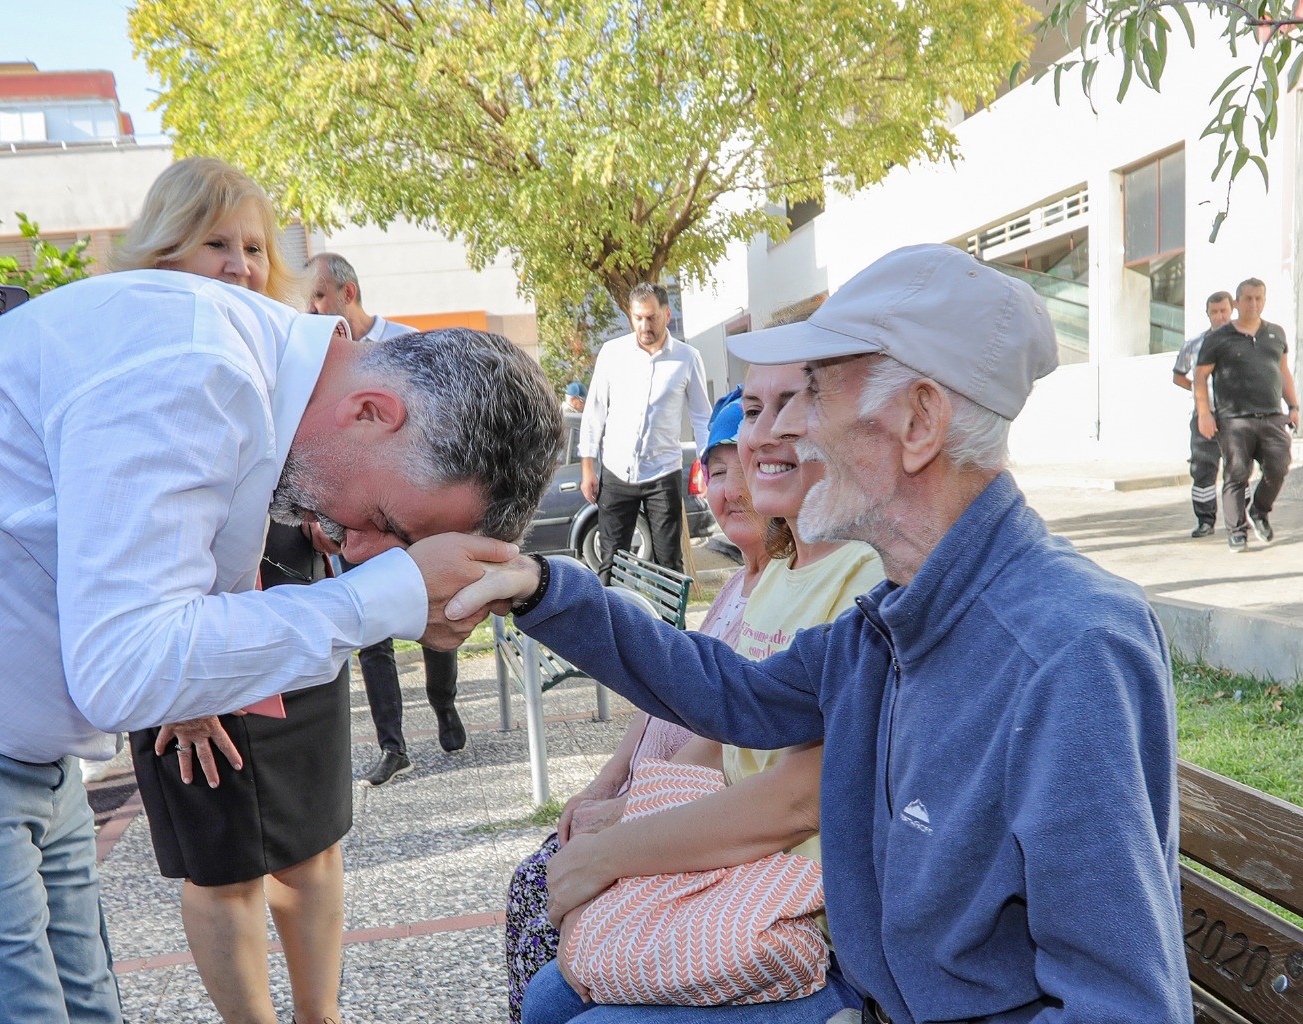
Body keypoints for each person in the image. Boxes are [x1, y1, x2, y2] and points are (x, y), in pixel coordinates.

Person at [0, 266, 564, 1023]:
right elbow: (127, 666)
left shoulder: (242, 371)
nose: (358, 549)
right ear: (375, 412)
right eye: (391, 525)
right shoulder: (194, 371)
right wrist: (380, 597)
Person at [450, 244, 1193, 1023]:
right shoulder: (902, 616)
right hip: (868, 1000)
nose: (788, 431)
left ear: (918, 422)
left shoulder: (1069, 650)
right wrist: (542, 589)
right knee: (553, 999)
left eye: (816, 393)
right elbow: (731, 691)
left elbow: (1125, 1005)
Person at [522, 357, 884, 1024]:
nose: (765, 432)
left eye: (791, 405)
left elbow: (802, 799)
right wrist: (623, 809)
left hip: (804, 925)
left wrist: (612, 850)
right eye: (751, 410)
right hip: (736, 877)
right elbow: (725, 736)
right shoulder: (777, 573)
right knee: (548, 997)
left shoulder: (865, 579)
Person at [108, 157, 352, 1024]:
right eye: (217, 242)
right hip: (184, 633)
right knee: (224, 869)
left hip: (290, 614)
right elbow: (124, 539)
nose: (243, 264)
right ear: (164, 250)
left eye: (254, 245)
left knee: (315, 848)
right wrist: (185, 686)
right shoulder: (131, 355)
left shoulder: (285, 345)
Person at [306, 250, 465, 785]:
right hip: (348, 519)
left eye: (319, 297)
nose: (312, 310)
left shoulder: (411, 346)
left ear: (348, 293)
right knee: (370, 637)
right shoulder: (314, 361)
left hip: (404, 515)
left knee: (429, 616)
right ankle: (392, 745)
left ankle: (444, 704)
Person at [579, 283, 710, 581]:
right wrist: (588, 467)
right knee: (611, 561)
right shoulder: (612, 353)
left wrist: (704, 465)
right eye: (638, 317)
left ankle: (669, 629)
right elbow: (595, 410)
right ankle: (612, 626)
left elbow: (703, 418)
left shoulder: (687, 358)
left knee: (669, 564)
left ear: (667, 313)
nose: (644, 325)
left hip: (662, 474)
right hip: (615, 473)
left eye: (651, 317)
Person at [1194, 277, 1299, 552]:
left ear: (1264, 300)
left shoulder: (1276, 333)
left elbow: (1284, 371)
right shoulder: (1218, 338)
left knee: (1279, 466)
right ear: (1237, 302)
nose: (1254, 304)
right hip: (1234, 419)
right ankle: (1236, 531)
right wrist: (1205, 413)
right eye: (1248, 298)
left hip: (1272, 416)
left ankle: (1259, 511)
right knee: (1237, 473)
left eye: (1259, 298)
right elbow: (1200, 376)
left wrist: (1294, 406)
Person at [1172, 291, 1234, 537]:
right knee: (1203, 469)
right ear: (1207, 314)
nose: (1219, 316)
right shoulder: (1195, 345)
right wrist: (1198, 390)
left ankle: (1238, 521)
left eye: (1223, 311)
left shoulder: (1244, 342)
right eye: (1214, 312)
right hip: (1204, 415)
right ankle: (1205, 521)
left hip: (1236, 417)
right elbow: (1178, 376)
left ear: (1232, 310)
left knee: (1238, 469)